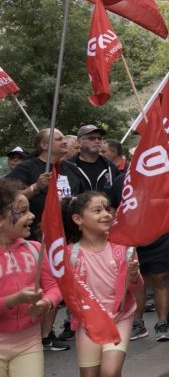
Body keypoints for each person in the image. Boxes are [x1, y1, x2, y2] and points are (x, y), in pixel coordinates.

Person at [4, 128, 82, 351]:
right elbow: (9, 200)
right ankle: (28, 333)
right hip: (35, 238)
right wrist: (35, 187)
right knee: (42, 282)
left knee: (56, 284)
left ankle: (47, 334)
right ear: (44, 146)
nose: (64, 142)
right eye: (58, 139)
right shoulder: (26, 168)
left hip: (66, 237)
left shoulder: (70, 169)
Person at [63, 191, 143, 377]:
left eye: (107, 209)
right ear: (78, 219)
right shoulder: (70, 254)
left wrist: (133, 276)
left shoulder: (123, 247)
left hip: (119, 318)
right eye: (97, 210)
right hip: (89, 322)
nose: (106, 214)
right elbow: (66, 294)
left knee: (110, 372)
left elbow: (138, 288)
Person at [0, 179, 60, 376]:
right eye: (23, 211)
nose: (32, 215)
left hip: (29, 343)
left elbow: (54, 287)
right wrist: (15, 300)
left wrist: (46, 303)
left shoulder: (35, 249)